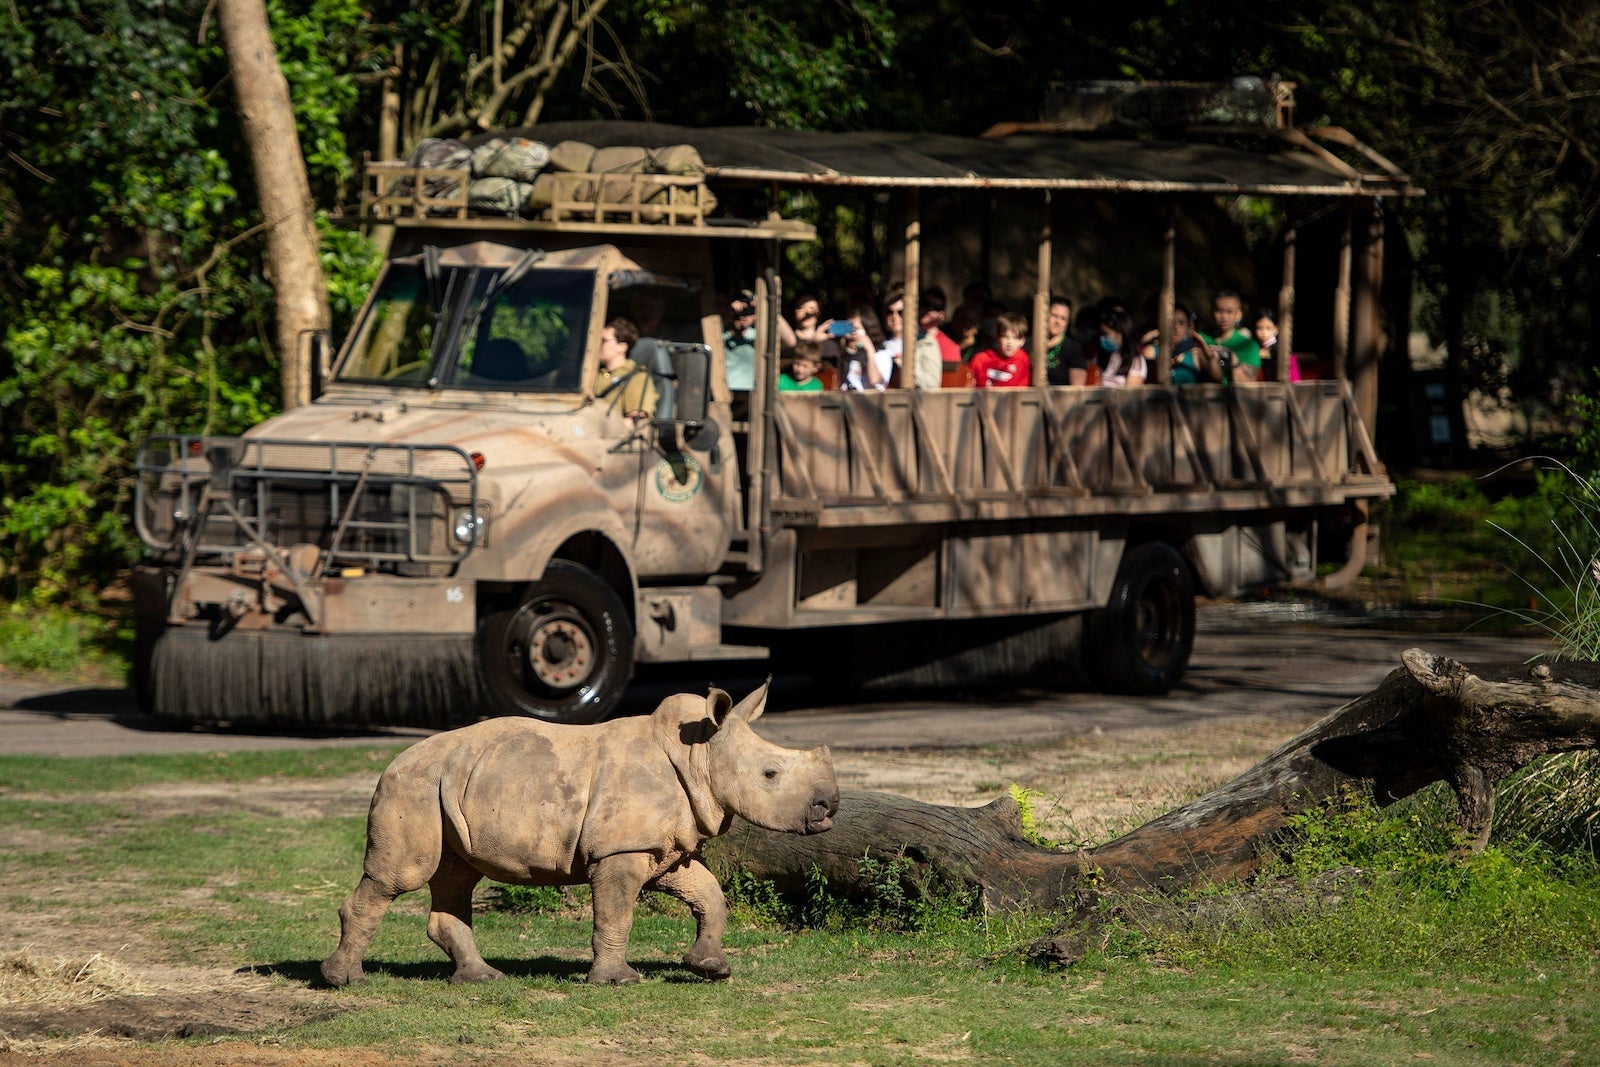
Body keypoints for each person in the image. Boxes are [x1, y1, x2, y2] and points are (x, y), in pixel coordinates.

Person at [593, 317, 658, 420]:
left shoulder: (637, 377)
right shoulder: (591, 374)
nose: (598, 344)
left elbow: (633, 422)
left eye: (604, 341)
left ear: (622, 347)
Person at [1143, 303, 1218, 385]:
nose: (1176, 327)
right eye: (1171, 322)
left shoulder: (1195, 354)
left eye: (1181, 323)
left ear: (1188, 328)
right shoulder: (1151, 351)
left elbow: (1217, 378)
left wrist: (1204, 346)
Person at [1198, 289, 1262, 384]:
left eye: (1229, 312)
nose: (1223, 317)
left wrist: (1234, 361)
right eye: (1219, 310)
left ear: (1239, 315)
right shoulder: (1200, 339)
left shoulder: (1249, 346)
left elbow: (1249, 385)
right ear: (1211, 312)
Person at [911, 285, 959, 390]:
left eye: (935, 307)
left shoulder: (951, 347)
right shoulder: (907, 339)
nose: (928, 310)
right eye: (925, 304)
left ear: (942, 314)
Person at [968, 311, 1032, 388]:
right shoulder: (980, 360)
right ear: (997, 337)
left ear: (1022, 341)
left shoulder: (1023, 360)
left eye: (1015, 338)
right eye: (1005, 337)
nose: (1010, 343)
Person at [839, 304, 892, 391]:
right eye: (848, 329)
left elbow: (874, 380)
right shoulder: (847, 356)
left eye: (855, 329)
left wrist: (870, 351)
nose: (851, 334)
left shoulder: (882, 355)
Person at [1042, 294, 1090, 386]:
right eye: (1054, 315)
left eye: (1063, 318)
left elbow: (1077, 388)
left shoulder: (1073, 349)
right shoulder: (1030, 343)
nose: (1058, 321)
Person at [1096, 307, 1146, 388]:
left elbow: (1130, 395)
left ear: (1121, 332)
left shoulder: (1136, 361)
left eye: (1106, 334)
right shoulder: (1107, 357)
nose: (1103, 338)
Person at [1252, 309, 1302, 382]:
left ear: (1276, 329)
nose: (1263, 332)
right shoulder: (1254, 348)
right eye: (1259, 328)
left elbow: (1294, 378)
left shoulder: (1282, 350)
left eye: (1268, 328)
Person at [722, 289, 758, 391]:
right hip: (724, 392)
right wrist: (727, 313)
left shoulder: (758, 336)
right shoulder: (720, 335)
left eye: (750, 310)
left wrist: (764, 309)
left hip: (752, 394)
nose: (743, 315)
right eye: (740, 310)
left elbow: (790, 341)